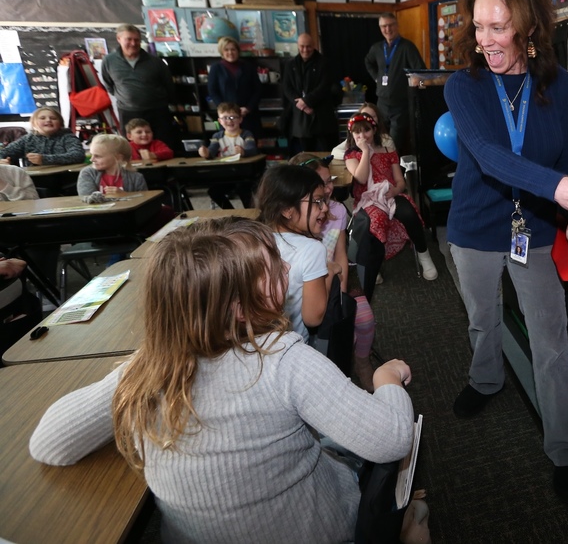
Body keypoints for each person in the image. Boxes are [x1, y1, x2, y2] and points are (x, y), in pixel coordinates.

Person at [28, 217, 416, 544]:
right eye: (275, 268)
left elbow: (49, 443)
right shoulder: (283, 358)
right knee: (341, 449)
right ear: (237, 307)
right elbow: (391, 439)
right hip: (308, 529)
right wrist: (387, 379)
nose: (287, 269)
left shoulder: (147, 367)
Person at [443, 0, 568, 502]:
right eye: (479, 27)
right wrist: (560, 188)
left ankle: (567, 447)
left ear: (529, 27)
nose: (486, 40)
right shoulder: (462, 85)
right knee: (482, 320)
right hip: (473, 225)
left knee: (551, 340)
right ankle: (485, 379)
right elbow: (489, 157)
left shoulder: (559, 86)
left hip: (533, 227)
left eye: (499, 27)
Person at [290, 152, 377, 391]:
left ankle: (362, 361)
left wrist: (342, 290)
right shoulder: (295, 220)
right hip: (307, 284)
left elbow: (340, 253)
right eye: (323, 184)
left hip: (336, 279)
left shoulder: (337, 210)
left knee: (365, 319)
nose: (330, 188)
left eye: (330, 181)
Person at [345, 112, 438, 296]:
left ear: (374, 130)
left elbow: (400, 182)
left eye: (366, 131)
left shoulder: (388, 152)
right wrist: (365, 152)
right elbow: (361, 177)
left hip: (390, 194)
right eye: (357, 133)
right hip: (368, 198)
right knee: (375, 221)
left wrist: (394, 191)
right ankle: (373, 263)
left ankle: (424, 255)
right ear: (352, 135)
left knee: (409, 213)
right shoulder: (352, 154)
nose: (362, 136)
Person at [256, 164, 340, 343]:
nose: (325, 208)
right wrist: (330, 272)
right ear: (287, 209)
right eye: (318, 201)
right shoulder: (312, 250)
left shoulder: (255, 240)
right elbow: (313, 317)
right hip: (292, 345)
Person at [100, 24, 179, 153]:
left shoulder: (155, 62)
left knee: (164, 145)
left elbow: (168, 84)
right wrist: (125, 97)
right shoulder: (109, 61)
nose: (133, 43)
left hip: (157, 111)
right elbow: (109, 84)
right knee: (131, 149)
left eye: (136, 40)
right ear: (119, 39)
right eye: (129, 39)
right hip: (128, 112)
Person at [364, 13, 426, 155]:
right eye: (384, 26)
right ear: (380, 28)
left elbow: (421, 71)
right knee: (378, 139)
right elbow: (368, 62)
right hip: (381, 104)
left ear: (397, 26)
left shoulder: (407, 47)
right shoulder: (377, 48)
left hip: (400, 106)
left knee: (393, 145)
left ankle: (393, 173)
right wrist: (376, 78)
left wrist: (418, 84)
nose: (387, 29)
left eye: (390, 25)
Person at [282, 33, 337, 153]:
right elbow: (287, 87)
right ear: (297, 46)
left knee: (325, 152)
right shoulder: (290, 64)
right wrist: (301, 104)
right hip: (300, 118)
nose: (305, 50)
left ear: (314, 46)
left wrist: (307, 101)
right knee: (304, 155)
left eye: (308, 46)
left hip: (321, 116)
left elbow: (324, 86)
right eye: (302, 46)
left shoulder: (324, 63)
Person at [198, 102, 258, 209]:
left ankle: (250, 213)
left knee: (244, 189)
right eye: (225, 118)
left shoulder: (246, 134)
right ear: (220, 121)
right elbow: (211, 151)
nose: (229, 121)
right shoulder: (217, 136)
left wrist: (243, 152)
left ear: (240, 119)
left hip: (244, 175)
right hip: (225, 175)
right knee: (213, 191)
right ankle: (231, 212)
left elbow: (252, 149)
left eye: (233, 117)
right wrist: (205, 153)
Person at [207, 36, 263, 136]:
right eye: (226, 49)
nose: (230, 52)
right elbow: (212, 91)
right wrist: (226, 111)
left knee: (250, 147)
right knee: (229, 147)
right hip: (227, 119)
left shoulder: (248, 67)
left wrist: (248, 108)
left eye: (233, 49)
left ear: (238, 50)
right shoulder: (216, 68)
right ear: (222, 52)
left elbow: (258, 90)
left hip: (248, 116)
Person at [0, 106, 84, 167]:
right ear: (34, 124)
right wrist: (2, 160)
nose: (48, 120)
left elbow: (78, 155)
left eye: (53, 118)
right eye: (42, 118)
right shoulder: (28, 139)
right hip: (36, 181)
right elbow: (4, 152)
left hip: (64, 178)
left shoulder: (67, 137)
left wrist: (44, 159)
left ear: (60, 123)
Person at [77, 133, 148, 196]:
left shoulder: (136, 178)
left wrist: (125, 195)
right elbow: (87, 198)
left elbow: (144, 201)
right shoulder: (88, 173)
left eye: (98, 156)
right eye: (92, 155)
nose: (92, 159)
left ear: (118, 157)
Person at [331, 101, 396, 160]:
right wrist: (354, 156)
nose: (368, 119)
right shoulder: (354, 138)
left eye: (372, 117)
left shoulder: (387, 140)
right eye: (364, 116)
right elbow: (335, 152)